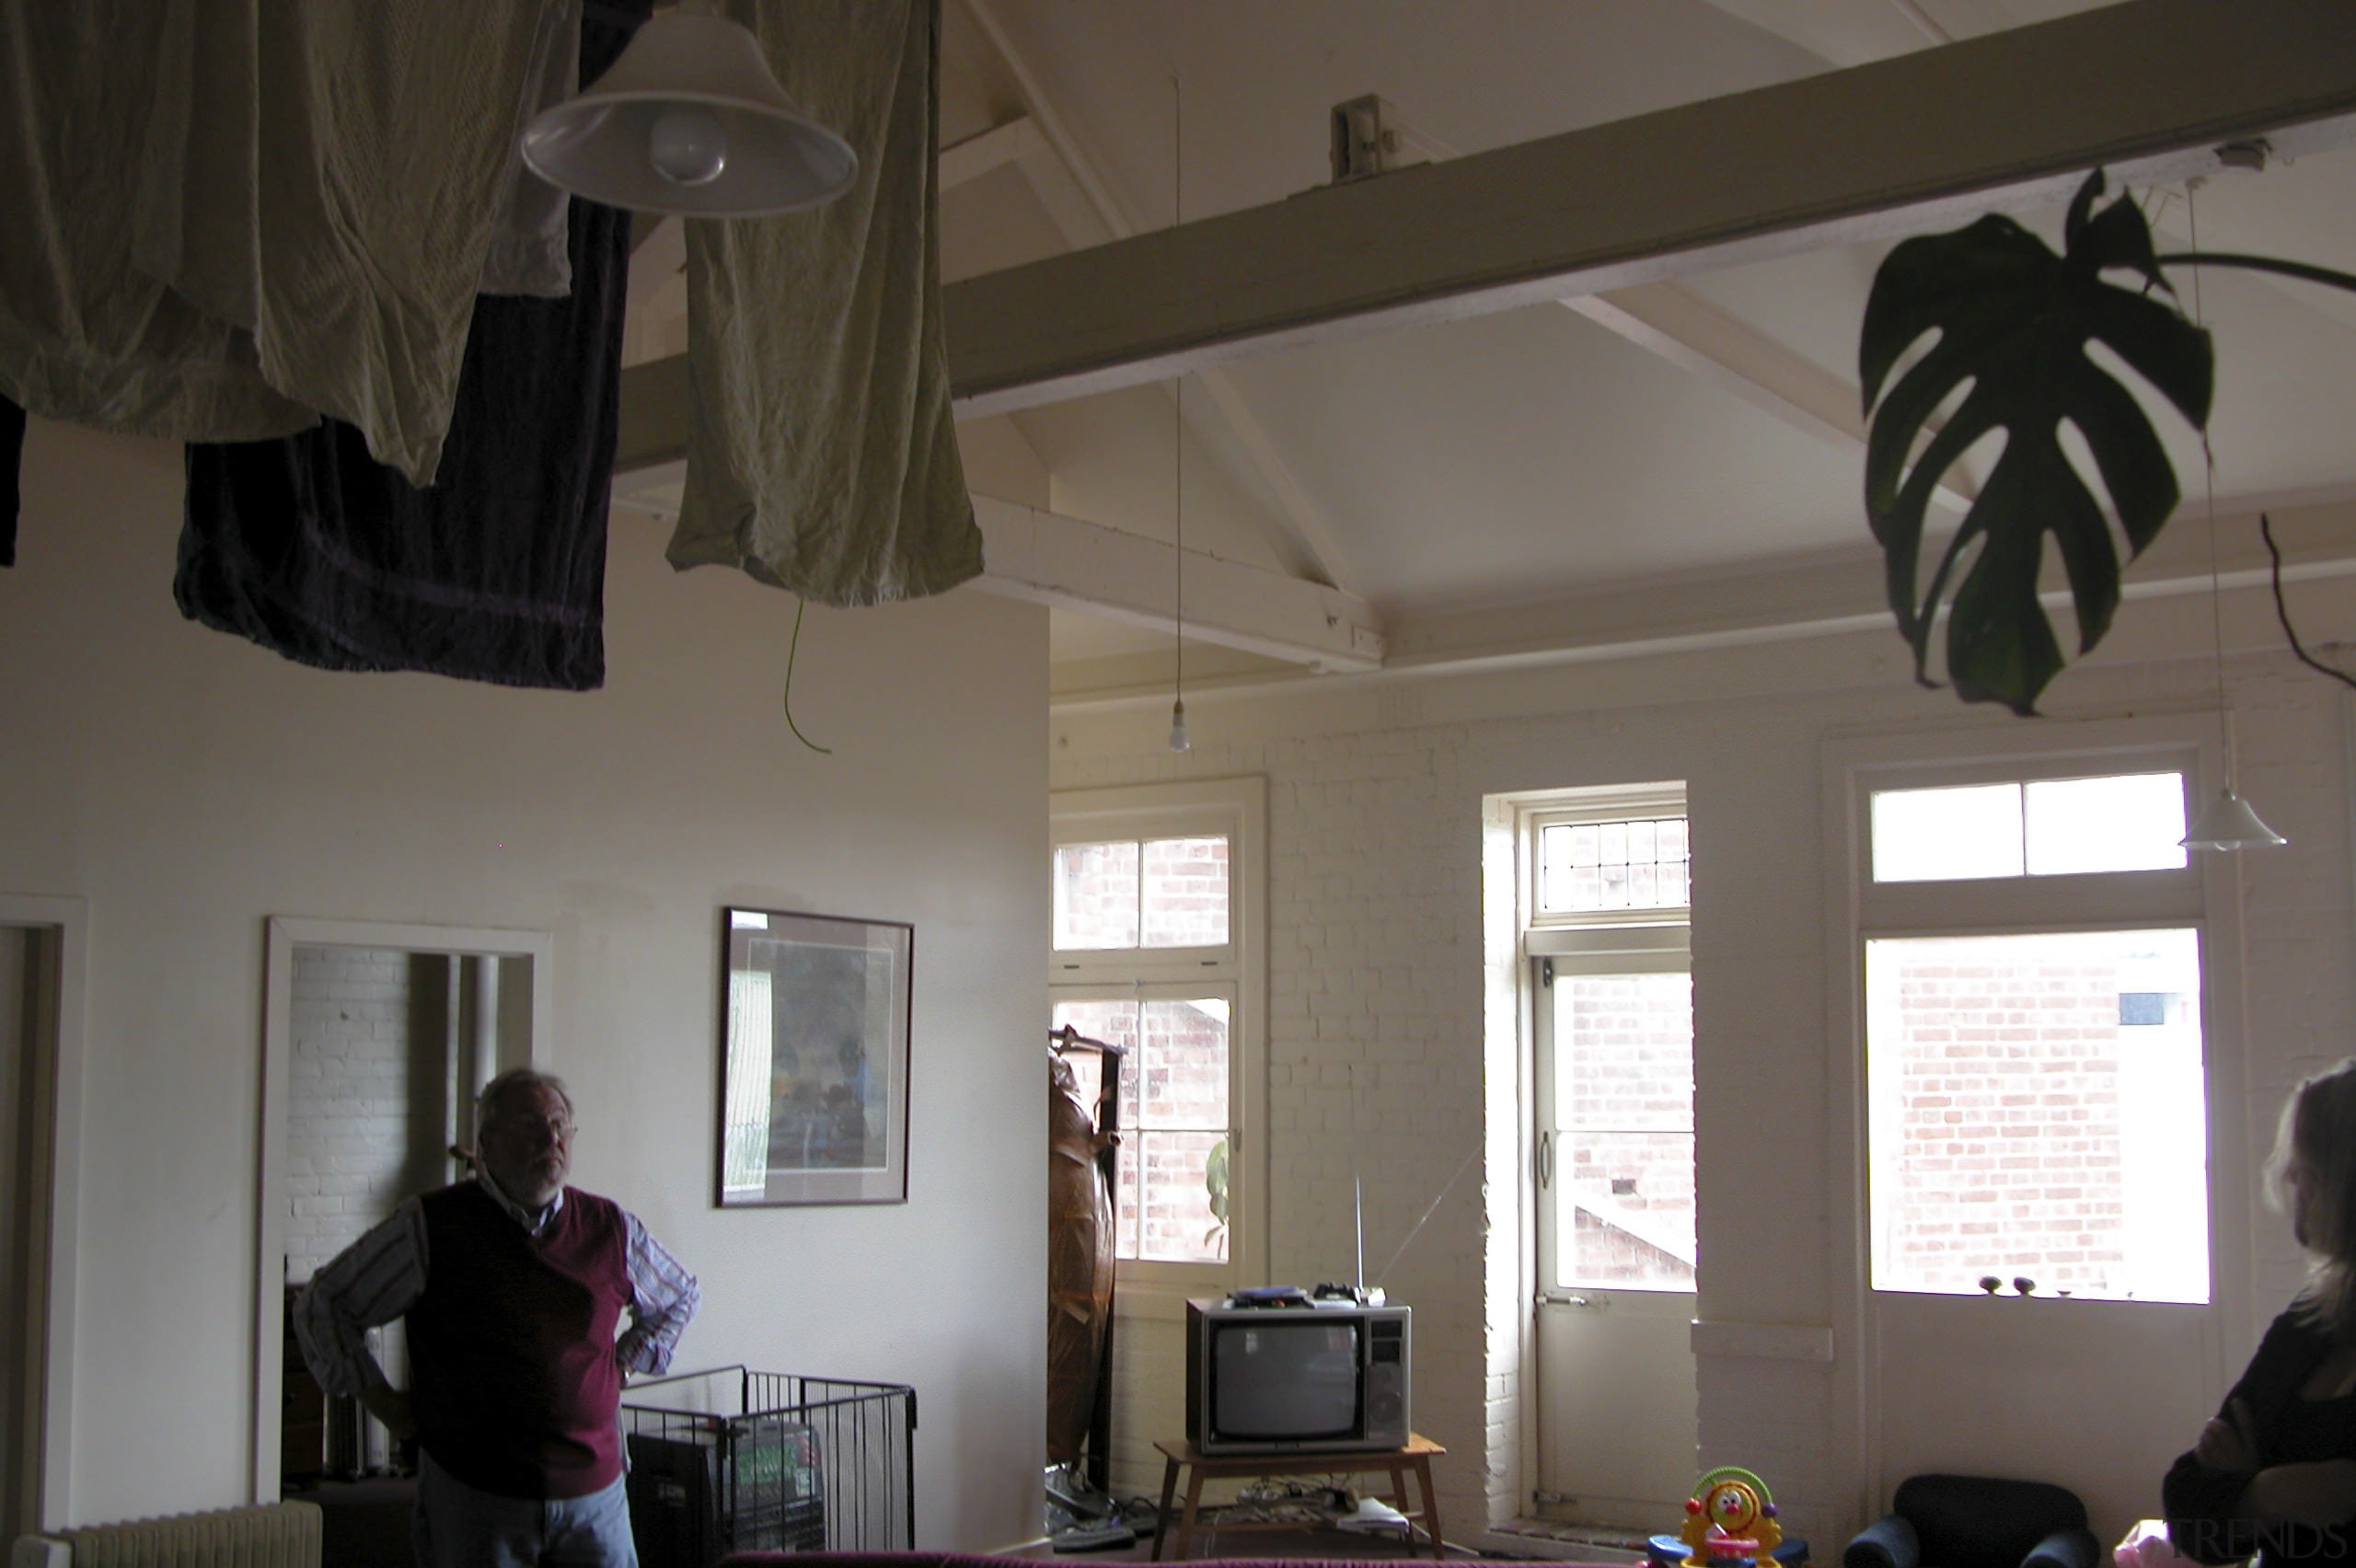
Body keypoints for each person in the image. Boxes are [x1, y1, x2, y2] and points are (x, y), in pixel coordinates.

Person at [295, 1067, 700, 1568]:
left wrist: (621, 1365)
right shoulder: (430, 1227)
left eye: (560, 1125)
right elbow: (324, 1304)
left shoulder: (610, 1228)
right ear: (486, 1143)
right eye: (531, 1125)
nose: (551, 1138)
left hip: (596, 1499)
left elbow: (681, 1295)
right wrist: (384, 1404)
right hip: (476, 1499)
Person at [2167, 1060, 2356, 1567]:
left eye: (2307, 1174)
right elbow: (2187, 1507)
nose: (2292, 1186)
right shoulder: (2310, 1320)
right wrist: (2269, 1492)